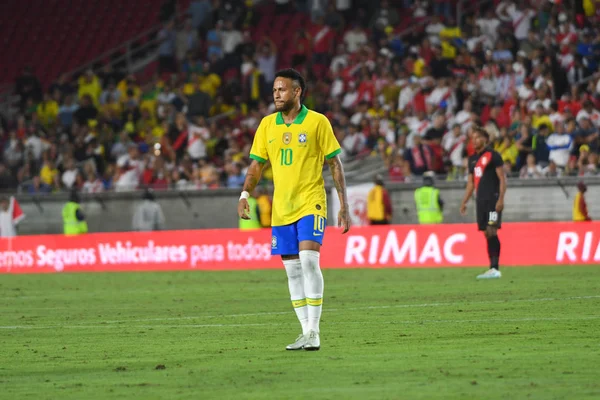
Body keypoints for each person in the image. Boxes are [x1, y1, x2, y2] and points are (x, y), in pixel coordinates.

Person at [237, 68, 351, 351]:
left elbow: (334, 163)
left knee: (310, 261)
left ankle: (314, 331)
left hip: (310, 202)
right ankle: (304, 332)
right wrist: (244, 194)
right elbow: (256, 165)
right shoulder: (266, 125)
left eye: (282, 89)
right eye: (274, 90)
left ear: (297, 92)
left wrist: (344, 206)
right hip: (282, 208)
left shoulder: (317, 122)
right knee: (292, 271)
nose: (276, 94)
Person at [460, 127, 506, 280]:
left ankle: (495, 268)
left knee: (492, 229)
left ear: (485, 139)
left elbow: (502, 179)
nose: (474, 141)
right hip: (481, 202)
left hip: (493, 201)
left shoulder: (493, 156)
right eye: (472, 138)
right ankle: (492, 268)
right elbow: (471, 184)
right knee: (486, 233)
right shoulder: (472, 160)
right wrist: (464, 201)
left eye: (477, 137)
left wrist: (501, 199)